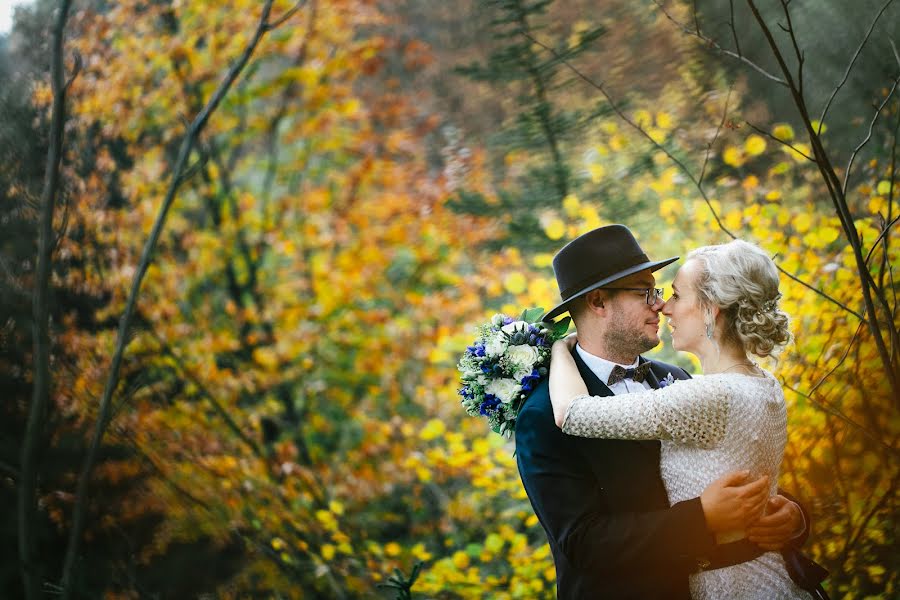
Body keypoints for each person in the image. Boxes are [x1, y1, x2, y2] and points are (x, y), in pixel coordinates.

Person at [515, 225, 808, 599]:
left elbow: (741, 465)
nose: (659, 304)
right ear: (598, 302)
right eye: (644, 291)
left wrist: (793, 517)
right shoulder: (540, 414)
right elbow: (583, 543)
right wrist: (700, 518)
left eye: (661, 292)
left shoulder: (679, 379)